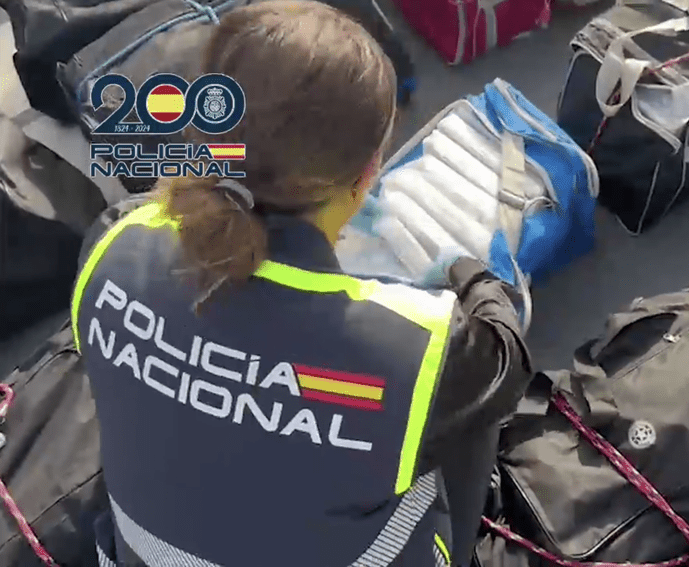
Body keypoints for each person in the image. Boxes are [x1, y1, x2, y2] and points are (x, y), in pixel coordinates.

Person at [71, 2, 532, 566]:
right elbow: (504, 359)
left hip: (144, 554)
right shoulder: (419, 349)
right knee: (459, 418)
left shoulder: (114, 242)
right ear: (368, 176)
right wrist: (469, 275)